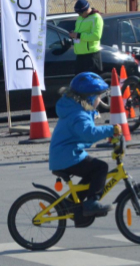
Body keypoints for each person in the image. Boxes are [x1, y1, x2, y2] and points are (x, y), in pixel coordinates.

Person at [49, 72, 122, 217]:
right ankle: (92, 203)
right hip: (67, 156)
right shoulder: (78, 115)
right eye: (98, 96)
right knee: (101, 167)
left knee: (92, 174)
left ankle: (70, 203)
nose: (100, 100)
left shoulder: (77, 109)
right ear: (90, 97)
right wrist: (111, 129)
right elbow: (89, 133)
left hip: (67, 154)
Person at [68, 0, 104, 74]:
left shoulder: (96, 18)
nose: (79, 15)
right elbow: (79, 32)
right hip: (80, 55)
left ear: (86, 9)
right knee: (79, 81)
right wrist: (73, 34)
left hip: (91, 56)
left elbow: (96, 36)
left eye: (80, 13)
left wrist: (78, 35)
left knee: (91, 82)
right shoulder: (80, 18)